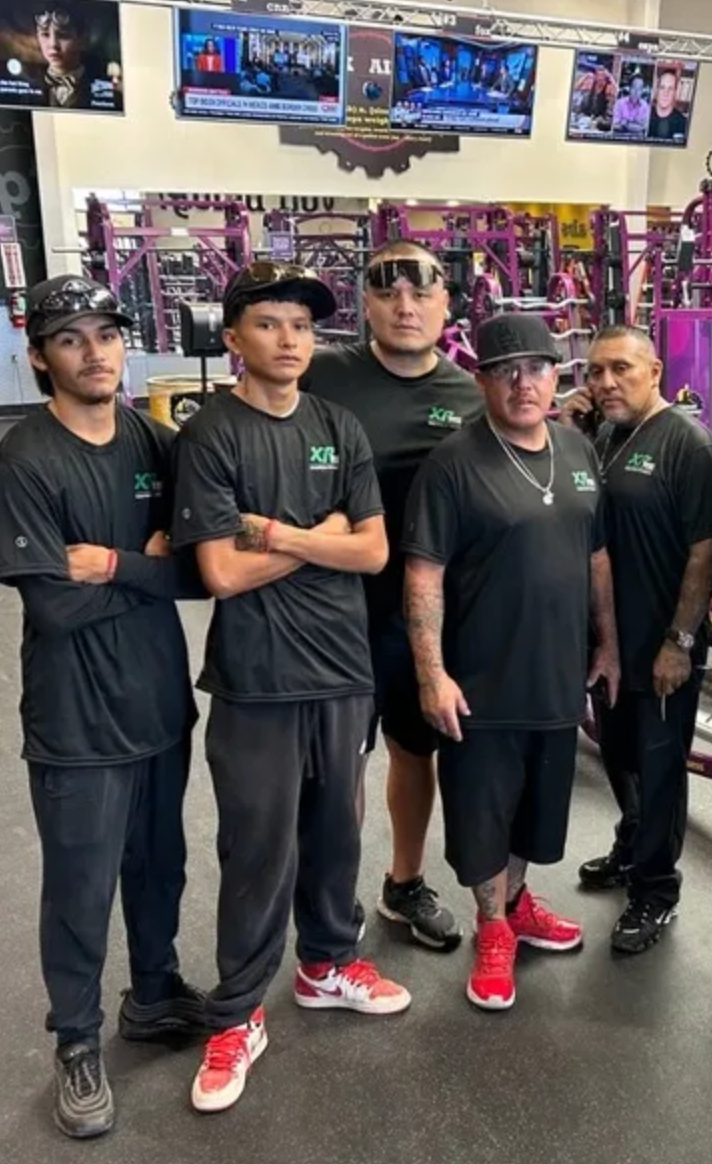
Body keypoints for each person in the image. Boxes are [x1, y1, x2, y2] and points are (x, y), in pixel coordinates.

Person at [171, 262, 410, 1115]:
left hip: (343, 669)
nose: (289, 340)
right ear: (234, 337)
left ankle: (327, 964)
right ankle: (238, 1011)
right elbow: (222, 573)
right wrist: (320, 535)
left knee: (338, 831)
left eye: (302, 326)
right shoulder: (211, 435)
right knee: (258, 847)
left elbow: (373, 551)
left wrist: (273, 532)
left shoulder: (337, 426)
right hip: (259, 679)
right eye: (269, 324)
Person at [0, 275, 206, 1139]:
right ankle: (77, 1041)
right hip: (77, 722)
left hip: (159, 705)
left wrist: (114, 564)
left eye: (107, 334)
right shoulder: (24, 460)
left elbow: (199, 571)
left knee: (161, 868)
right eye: (71, 338)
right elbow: (53, 606)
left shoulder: (157, 443)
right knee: (80, 890)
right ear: (39, 356)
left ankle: (153, 995)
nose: (96, 353)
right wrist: (150, 565)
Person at [401, 314, 620, 1011]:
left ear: (557, 376)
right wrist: (432, 674)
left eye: (537, 369)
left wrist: (608, 641)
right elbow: (423, 574)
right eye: (506, 372)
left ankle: (516, 902)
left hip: (556, 675)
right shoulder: (453, 463)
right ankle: (492, 925)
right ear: (482, 381)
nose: (524, 384)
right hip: (481, 680)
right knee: (482, 813)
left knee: (533, 809)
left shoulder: (576, 450)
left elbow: (596, 555)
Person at [303, 241, 482, 953]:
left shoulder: (471, 398)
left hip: (419, 618)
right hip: (330, 609)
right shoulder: (320, 375)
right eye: (387, 292)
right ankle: (330, 905)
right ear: (366, 304)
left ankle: (404, 883)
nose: (405, 307)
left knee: (415, 750)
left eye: (421, 292)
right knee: (338, 765)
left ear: (446, 304)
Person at [570, 326, 712, 952]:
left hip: (662, 643)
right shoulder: (604, 436)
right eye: (595, 371)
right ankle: (633, 844)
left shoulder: (690, 445)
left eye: (621, 369)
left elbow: (706, 551)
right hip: (608, 640)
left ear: (655, 371)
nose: (606, 382)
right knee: (617, 752)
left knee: (660, 768)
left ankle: (656, 891)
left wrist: (679, 642)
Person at [648, 65, 689, 142]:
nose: (665, 93)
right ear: (656, 90)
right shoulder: (644, 116)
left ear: (675, 93)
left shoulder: (684, 123)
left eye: (670, 89)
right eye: (662, 87)